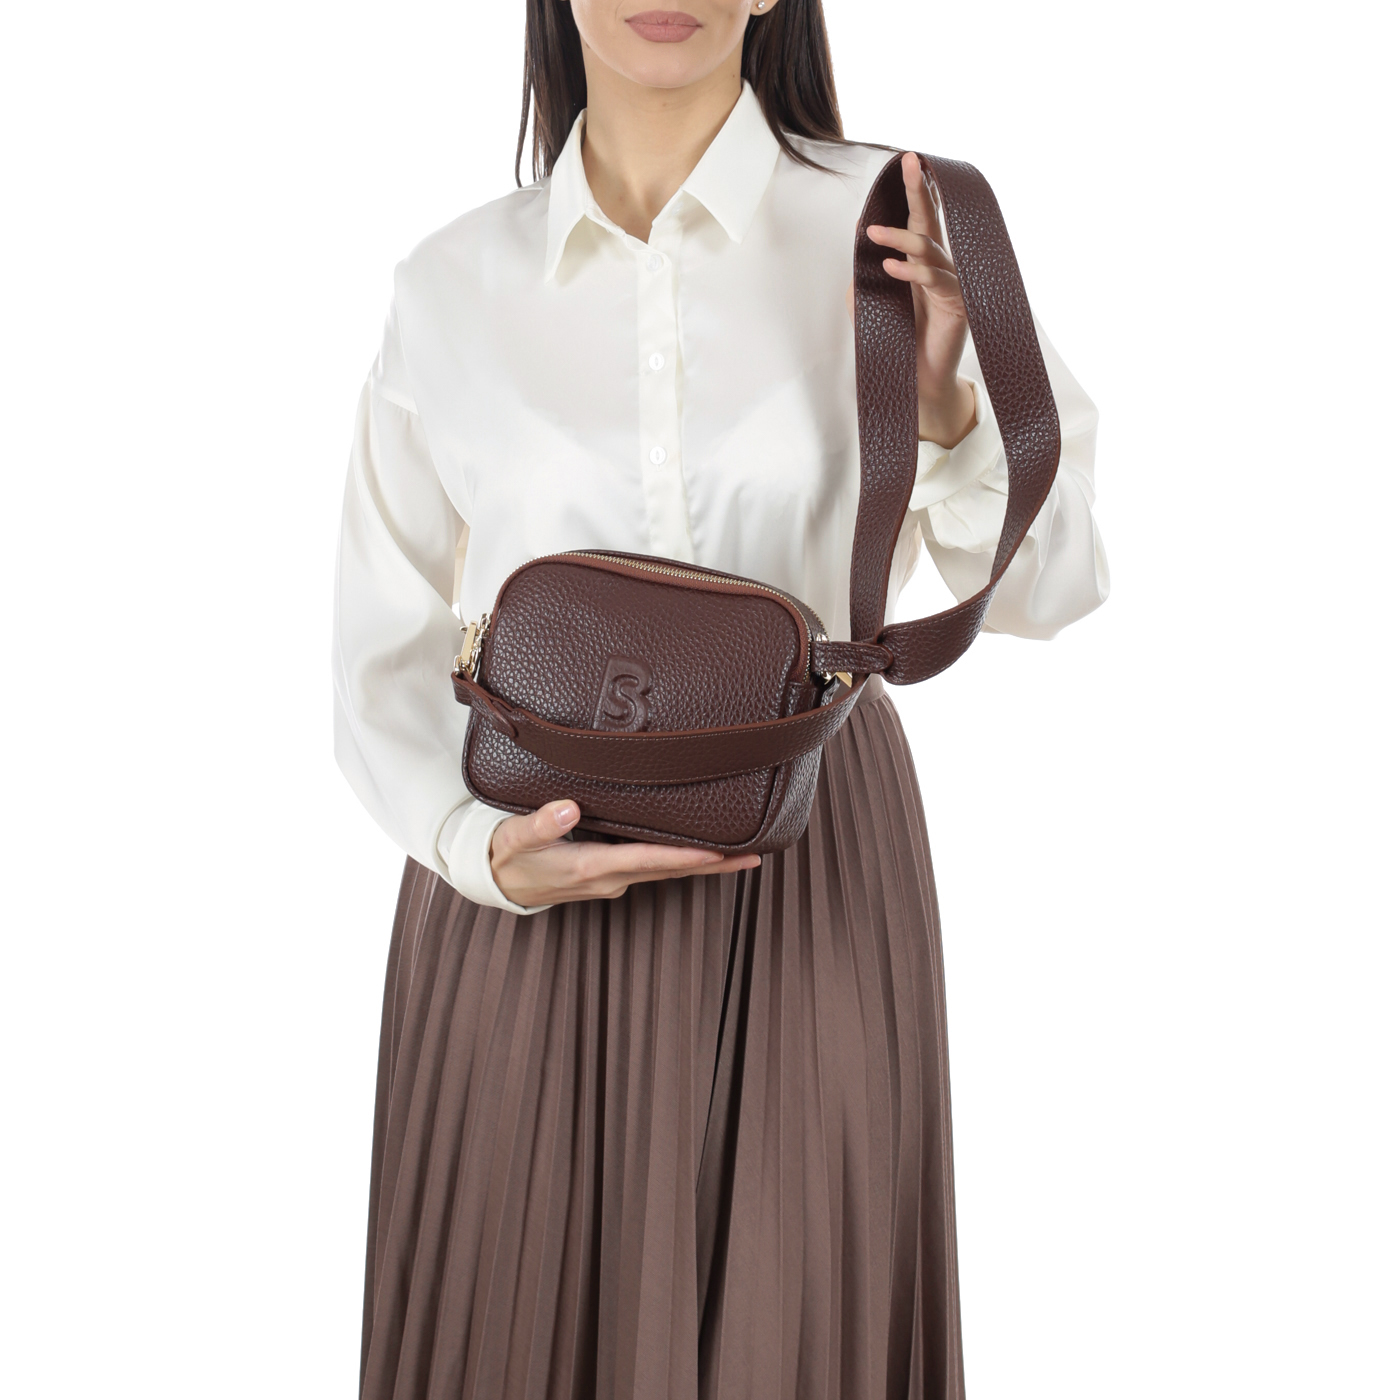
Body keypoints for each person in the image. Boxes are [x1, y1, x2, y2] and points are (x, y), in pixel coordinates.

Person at [333, 2, 1108, 1396]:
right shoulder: (451, 283)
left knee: (793, 1335)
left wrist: (946, 405)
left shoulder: (896, 232)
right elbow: (378, 645)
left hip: (808, 861)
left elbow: (1053, 581)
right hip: (520, 881)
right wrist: (475, 850)